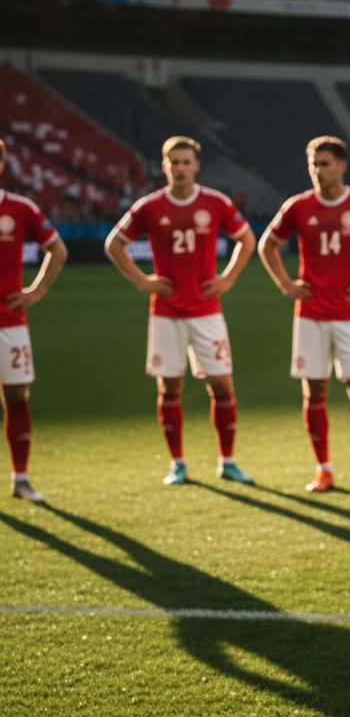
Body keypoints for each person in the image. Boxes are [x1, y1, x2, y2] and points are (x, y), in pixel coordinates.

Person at [105, 136, 256, 487]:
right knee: (170, 388)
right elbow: (114, 243)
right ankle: (177, 464)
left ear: (196, 166)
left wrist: (228, 277)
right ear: (164, 166)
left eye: (186, 162)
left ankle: (228, 461)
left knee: (221, 384)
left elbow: (247, 239)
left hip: (206, 311)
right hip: (166, 313)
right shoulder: (150, 206)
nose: (181, 168)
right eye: (174, 162)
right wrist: (142, 281)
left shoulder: (215, 202)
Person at [258, 135, 350, 494]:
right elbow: (267, 244)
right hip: (310, 315)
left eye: (324, 164)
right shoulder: (298, 206)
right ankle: (323, 469)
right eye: (313, 164)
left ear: (342, 166)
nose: (318, 171)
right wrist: (285, 283)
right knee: (314, 393)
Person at [0, 138, 68, 502]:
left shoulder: (20, 208)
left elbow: (57, 249)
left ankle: (20, 478)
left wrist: (36, 291)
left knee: (16, 397)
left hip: (10, 323)